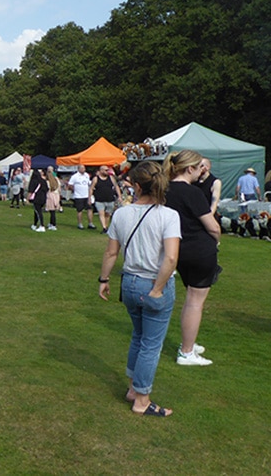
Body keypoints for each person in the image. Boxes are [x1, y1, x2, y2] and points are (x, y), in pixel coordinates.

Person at [98, 161, 180, 417]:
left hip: (130, 282)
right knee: (150, 344)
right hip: (154, 283)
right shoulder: (169, 215)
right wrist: (158, 289)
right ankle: (142, 399)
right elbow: (170, 258)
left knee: (139, 336)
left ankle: (134, 389)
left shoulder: (122, 213)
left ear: (136, 186)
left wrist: (103, 280)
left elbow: (112, 252)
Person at [164, 150, 221, 366]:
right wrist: (216, 240)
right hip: (198, 250)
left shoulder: (164, 189)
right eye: (199, 167)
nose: (202, 172)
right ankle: (186, 352)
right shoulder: (193, 192)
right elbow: (213, 226)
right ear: (190, 169)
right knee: (195, 302)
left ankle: (189, 342)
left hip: (176, 250)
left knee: (190, 298)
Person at [90, 165, 122, 233]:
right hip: (99, 199)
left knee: (108, 214)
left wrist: (119, 196)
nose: (107, 171)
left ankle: (106, 226)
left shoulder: (111, 178)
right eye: (106, 170)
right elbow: (91, 188)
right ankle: (104, 227)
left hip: (110, 199)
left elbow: (116, 187)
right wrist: (89, 198)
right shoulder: (96, 179)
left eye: (108, 170)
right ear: (101, 171)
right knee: (101, 213)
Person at [68, 165, 96, 230]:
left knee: (90, 209)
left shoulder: (86, 175)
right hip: (79, 196)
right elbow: (70, 184)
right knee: (80, 210)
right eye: (82, 168)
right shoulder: (75, 176)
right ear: (79, 169)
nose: (84, 169)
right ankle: (80, 224)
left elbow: (89, 183)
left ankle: (90, 223)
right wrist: (74, 190)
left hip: (87, 195)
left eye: (84, 168)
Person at [45, 166, 61, 231]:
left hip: (51, 195)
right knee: (53, 211)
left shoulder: (48, 181)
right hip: (56, 195)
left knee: (52, 211)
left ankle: (53, 224)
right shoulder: (57, 180)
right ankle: (52, 223)